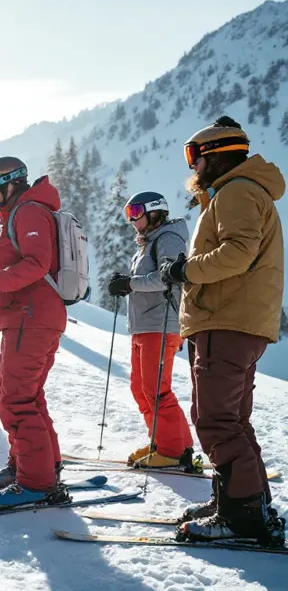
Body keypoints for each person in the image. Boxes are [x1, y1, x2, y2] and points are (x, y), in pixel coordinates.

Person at [161, 116, 285, 547]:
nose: (192, 167)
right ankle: (243, 503)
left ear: (215, 156)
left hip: (227, 319)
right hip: (239, 320)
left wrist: (184, 270)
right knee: (234, 421)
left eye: (195, 156)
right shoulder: (242, 192)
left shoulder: (235, 192)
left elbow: (237, 253)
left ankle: (243, 518)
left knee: (215, 421)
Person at [0, 157, 68, 509]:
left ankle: (37, 482)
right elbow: (21, 264)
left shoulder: (28, 212)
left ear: (12, 182)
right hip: (31, 316)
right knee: (29, 396)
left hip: (31, 317)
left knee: (16, 400)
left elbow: (36, 264)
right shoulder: (20, 213)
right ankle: (37, 466)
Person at [106, 191, 194, 469]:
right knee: (141, 389)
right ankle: (170, 443)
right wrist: (128, 283)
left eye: (135, 212)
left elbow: (166, 277)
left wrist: (129, 284)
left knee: (156, 391)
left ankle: (170, 451)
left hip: (161, 323)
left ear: (154, 212)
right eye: (128, 214)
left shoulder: (168, 239)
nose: (131, 220)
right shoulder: (147, 243)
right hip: (144, 325)